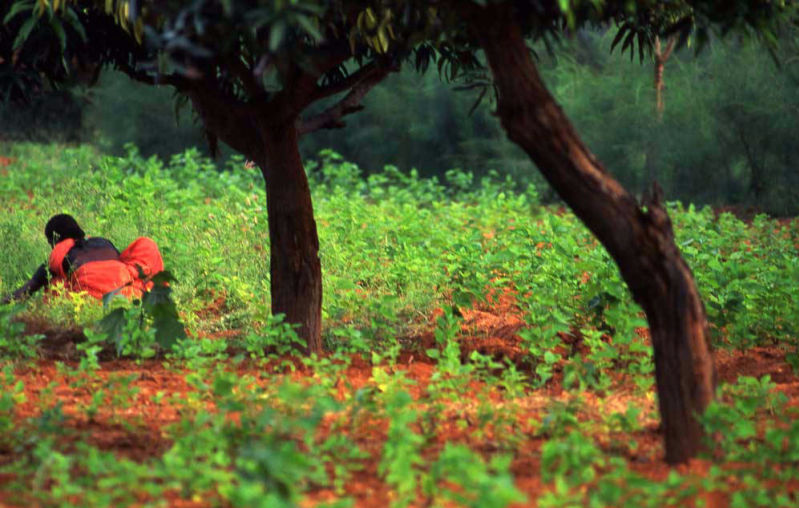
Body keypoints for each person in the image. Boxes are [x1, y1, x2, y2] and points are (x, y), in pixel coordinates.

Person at [2, 214, 164, 303]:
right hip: (127, 294)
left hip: (91, 300)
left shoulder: (61, 254)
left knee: (55, 283)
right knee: (144, 250)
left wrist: (3, 301)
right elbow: (116, 267)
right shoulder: (103, 242)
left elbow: (27, 290)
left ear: (55, 241)